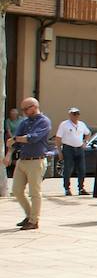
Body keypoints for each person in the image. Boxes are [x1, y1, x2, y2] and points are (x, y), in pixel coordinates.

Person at [10, 97, 51, 231]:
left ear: (34, 107)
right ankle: (29, 215)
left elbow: (33, 138)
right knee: (16, 190)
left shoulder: (44, 122)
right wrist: (8, 155)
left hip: (36, 160)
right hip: (23, 160)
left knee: (34, 192)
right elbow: (15, 141)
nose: (24, 112)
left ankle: (34, 221)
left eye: (25, 109)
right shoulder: (24, 122)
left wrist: (16, 139)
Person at [55, 107, 91, 196]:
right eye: (73, 114)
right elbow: (58, 138)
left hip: (79, 148)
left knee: (82, 169)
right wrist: (59, 151)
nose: (75, 116)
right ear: (70, 115)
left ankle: (81, 188)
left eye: (77, 114)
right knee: (68, 169)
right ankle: (67, 188)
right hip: (68, 148)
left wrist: (85, 142)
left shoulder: (81, 124)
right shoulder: (64, 124)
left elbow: (88, 133)